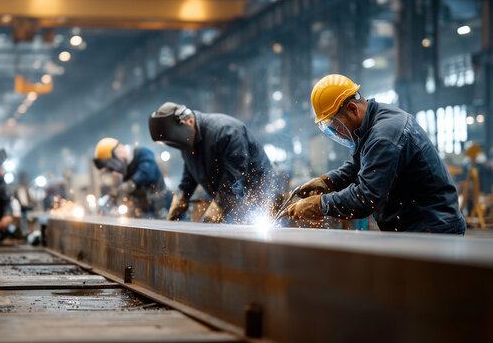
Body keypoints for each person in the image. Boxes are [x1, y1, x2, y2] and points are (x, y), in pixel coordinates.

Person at [282, 74, 466, 234]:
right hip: (414, 225)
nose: (336, 134)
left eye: (335, 127)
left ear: (353, 109)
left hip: (432, 229)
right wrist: (328, 182)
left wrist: (320, 205)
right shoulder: (368, 127)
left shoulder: (384, 135)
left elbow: (365, 198)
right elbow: (357, 166)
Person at [149, 102, 278, 223]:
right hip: (229, 196)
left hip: (258, 195)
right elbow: (190, 175)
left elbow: (234, 179)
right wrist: (180, 201)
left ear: (189, 122)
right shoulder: (187, 141)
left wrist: (215, 210)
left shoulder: (225, 131)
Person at [94, 137, 171, 218]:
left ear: (118, 149)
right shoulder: (125, 169)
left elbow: (148, 173)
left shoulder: (143, 153)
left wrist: (131, 183)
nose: (114, 171)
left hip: (162, 207)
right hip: (144, 212)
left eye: (112, 167)